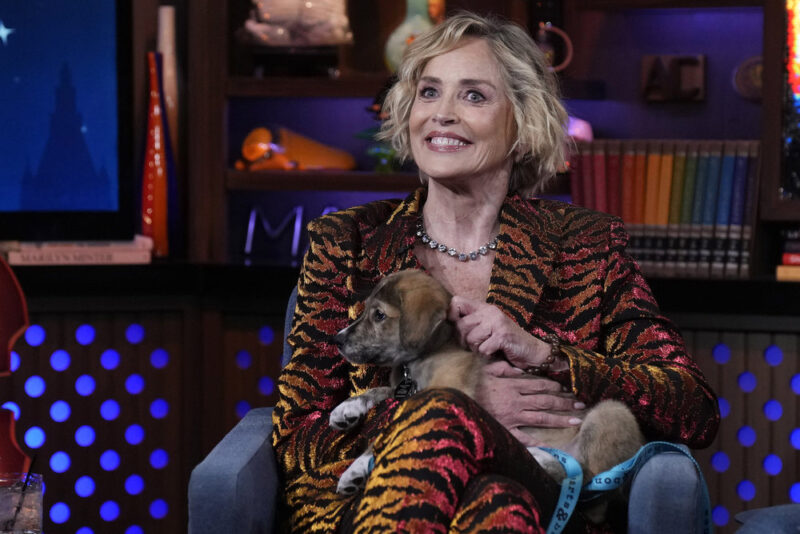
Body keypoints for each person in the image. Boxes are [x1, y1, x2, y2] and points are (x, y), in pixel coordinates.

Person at [272, 11, 719, 533]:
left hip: (547, 495)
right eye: (429, 92)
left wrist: (547, 356)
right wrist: (465, 411)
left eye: (474, 95)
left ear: (523, 127)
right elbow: (298, 435)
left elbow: (692, 409)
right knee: (495, 499)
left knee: (503, 497)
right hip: (371, 503)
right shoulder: (346, 242)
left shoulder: (586, 245)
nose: (442, 114)